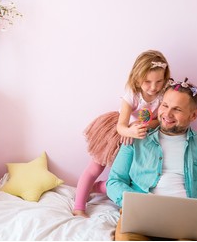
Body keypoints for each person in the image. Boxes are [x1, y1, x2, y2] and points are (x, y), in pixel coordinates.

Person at [106, 78, 197, 240]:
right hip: (142, 216)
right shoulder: (136, 137)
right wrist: (136, 202)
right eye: (165, 105)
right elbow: (114, 181)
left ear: (194, 115)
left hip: (187, 222)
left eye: (177, 109)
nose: (167, 114)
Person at [73, 50, 171, 217]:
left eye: (158, 81)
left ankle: (99, 187)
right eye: (147, 81)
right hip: (119, 133)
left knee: (131, 177)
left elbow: (160, 120)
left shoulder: (163, 95)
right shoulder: (132, 95)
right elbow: (121, 126)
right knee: (95, 167)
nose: (153, 87)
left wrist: (143, 126)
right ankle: (79, 206)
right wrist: (130, 129)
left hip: (143, 136)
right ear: (137, 77)